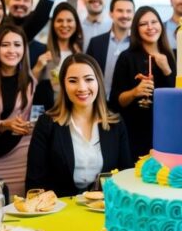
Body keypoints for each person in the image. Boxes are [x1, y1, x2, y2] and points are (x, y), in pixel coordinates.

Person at [26, 54, 132, 197]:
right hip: (58, 211)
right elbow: (34, 184)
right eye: (73, 81)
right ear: (63, 85)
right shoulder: (46, 124)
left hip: (104, 209)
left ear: (98, 82)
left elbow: (126, 177)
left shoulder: (116, 123)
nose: (82, 88)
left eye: (88, 79)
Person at [0, 24, 44, 197]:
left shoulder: (30, 80)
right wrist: (4, 125)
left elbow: (38, 115)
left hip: (22, 155)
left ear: (24, 49)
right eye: (5, 45)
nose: (12, 50)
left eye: (17, 45)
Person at [111, 6, 177, 160]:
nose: (150, 27)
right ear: (136, 29)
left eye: (154, 22)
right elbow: (116, 100)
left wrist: (167, 70)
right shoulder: (126, 57)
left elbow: (179, 97)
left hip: (165, 129)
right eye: (143, 24)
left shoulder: (171, 55)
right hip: (134, 131)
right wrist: (135, 92)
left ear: (161, 24)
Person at [85, 0, 134, 98]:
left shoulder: (139, 44)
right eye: (120, 11)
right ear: (111, 13)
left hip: (128, 105)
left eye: (129, 11)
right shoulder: (96, 43)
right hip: (99, 102)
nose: (125, 15)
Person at [37, 2, 84, 94]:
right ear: (53, 23)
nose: (65, 25)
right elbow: (29, 85)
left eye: (69, 20)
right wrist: (38, 67)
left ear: (76, 23)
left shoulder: (80, 51)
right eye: (59, 21)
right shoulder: (42, 48)